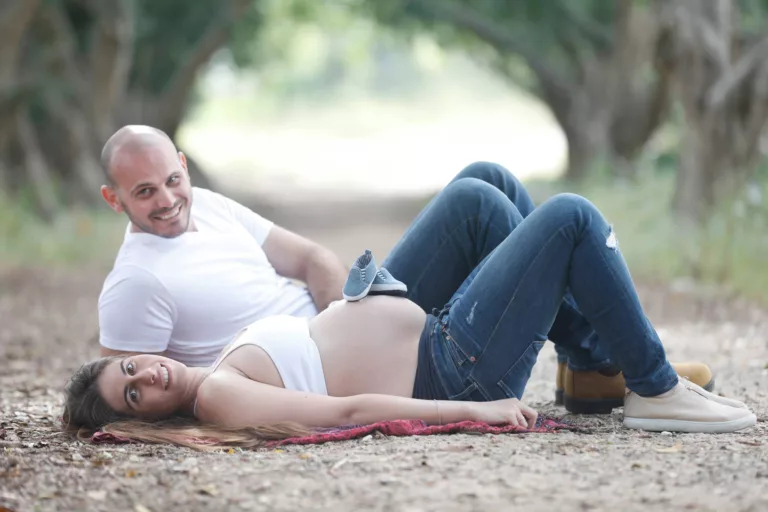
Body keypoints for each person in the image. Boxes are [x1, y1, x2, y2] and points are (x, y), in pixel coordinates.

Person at [95, 125, 713, 415]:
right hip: (341, 366)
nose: (168, 200)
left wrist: (350, 317)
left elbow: (312, 259)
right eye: (144, 193)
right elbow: (135, 396)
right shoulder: (134, 284)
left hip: (341, 324)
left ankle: (591, 364)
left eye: (172, 180)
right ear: (114, 199)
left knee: (484, 186)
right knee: (527, 213)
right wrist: (348, 349)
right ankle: (613, 367)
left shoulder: (207, 205)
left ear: (183, 165)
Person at [64, 200, 757, 450]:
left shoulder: (211, 363)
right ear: (143, 420)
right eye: (135, 395)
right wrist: (475, 411)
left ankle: (593, 366)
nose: (148, 375)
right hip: (450, 368)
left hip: (414, 325)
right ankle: (654, 387)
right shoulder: (216, 397)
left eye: (130, 368)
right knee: (569, 218)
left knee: (480, 194)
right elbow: (347, 411)